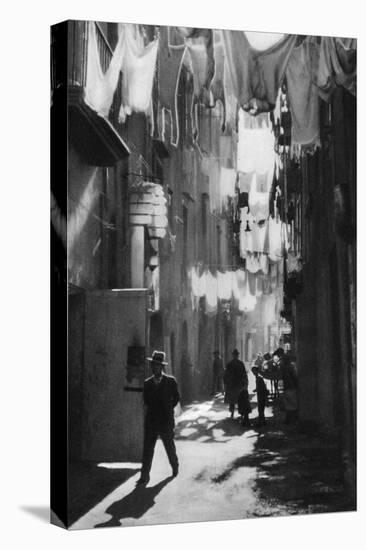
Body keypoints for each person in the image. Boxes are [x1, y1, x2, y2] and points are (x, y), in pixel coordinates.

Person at [137, 350, 180, 485]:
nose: (155, 367)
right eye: (153, 365)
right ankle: (144, 476)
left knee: (169, 446)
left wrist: (168, 408)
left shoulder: (171, 381)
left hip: (166, 420)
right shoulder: (147, 383)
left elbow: (177, 398)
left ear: (162, 367)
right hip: (152, 420)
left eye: (157, 365)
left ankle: (175, 466)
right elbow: (146, 401)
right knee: (148, 449)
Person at [273, 347, 298, 424]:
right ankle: (290, 419)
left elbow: (292, 376)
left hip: (290, 386)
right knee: (290, 403)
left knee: (291, 403)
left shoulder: (287, 366)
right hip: (289, 386)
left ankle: (291, 420)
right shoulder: (287, 365)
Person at [223, 349, 248, 419]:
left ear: (233, 355)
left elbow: (226, 375)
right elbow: (244, 374)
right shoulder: (240, 364)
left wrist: (225, 383)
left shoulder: (230, 364)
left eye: (235, 355)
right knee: (239, 399)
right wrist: (245, 383)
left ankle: (232, 413)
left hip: (232, 384)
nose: (235, 356)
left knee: (232, 400)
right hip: (238, 384)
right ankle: (240, 413)